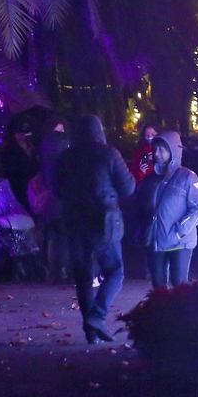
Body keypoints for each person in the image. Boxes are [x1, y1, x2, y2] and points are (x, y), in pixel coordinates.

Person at [54, 114, 135, 344]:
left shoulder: (66, 157)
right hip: (103, 221)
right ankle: (97, 316)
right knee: (115, 271)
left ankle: (91, 332)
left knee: (83, 275)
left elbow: (58, 190)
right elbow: (128, 187)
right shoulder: (109, 154)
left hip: (74, 221)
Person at [139, 131, 198, 290]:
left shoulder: (187, 177)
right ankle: (162, 308)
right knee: (158, 287)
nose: (157, 153)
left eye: (162, 149)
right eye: (155, 149)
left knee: (179, 284)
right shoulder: (150, 179)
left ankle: (184, 307)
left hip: (179, 242)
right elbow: (140, 206)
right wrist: (143, 230)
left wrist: (179, 231)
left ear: (173, 150)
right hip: (155, 240)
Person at [36, 119, 70, 283]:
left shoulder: (44, 146)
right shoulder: (63, 146)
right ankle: (61, 269)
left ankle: (47, 269)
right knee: (62, 234)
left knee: (49, 233)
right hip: (61, 196)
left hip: (48, 196)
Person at [0, 121, 41, 213]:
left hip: (33, 186)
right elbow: (11, 170)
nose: (25, 135)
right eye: (21, 132)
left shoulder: (31, 147)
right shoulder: (9, 150)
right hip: (19, 188)